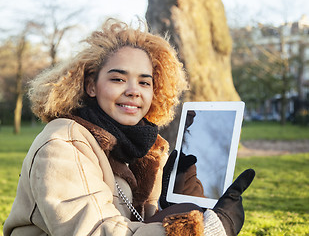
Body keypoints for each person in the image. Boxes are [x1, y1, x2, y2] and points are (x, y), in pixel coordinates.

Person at [3, 18, 255, 236]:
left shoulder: (141, 149)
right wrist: (211, 229)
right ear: (91, 85)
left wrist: (174, 206)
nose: (133, 91)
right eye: (118, 79)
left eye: (145, 82)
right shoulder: (63, 143)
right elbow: (95, 231)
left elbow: (135, 224)